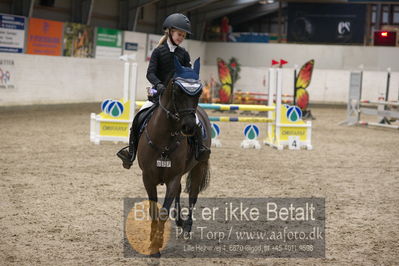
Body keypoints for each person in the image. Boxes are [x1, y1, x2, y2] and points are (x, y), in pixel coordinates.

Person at [117, 13, 211, 169]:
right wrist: (159, 84)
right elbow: (150, 73)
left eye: (183, 35)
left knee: (194, 119)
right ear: (170, 32)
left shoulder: (183, 54)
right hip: (158, 95)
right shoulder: (158, 52)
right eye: (179, 34)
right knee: (139, 118)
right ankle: (131, 152)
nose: (181, 37)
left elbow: (187, 73)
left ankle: (199, 148)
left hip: (179, 97)